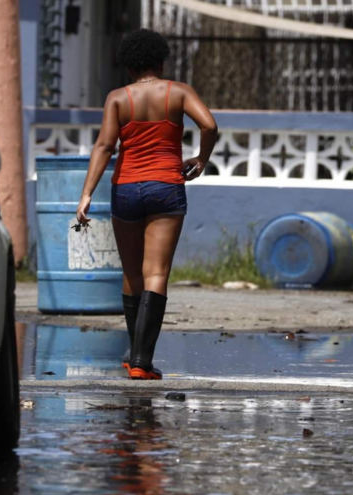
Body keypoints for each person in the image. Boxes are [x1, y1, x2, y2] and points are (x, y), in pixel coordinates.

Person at [76, 29, 218, 380]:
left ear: (128, 67)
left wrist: (86, 194)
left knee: (131, 272)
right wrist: (201, 158)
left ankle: (132, 353)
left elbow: (104, 147)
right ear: (160, 60)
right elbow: (209, 124)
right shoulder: (178, 92)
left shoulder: (117, 98)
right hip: (166, 187)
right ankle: (142, 361)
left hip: (125, 188)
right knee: (156, 273)